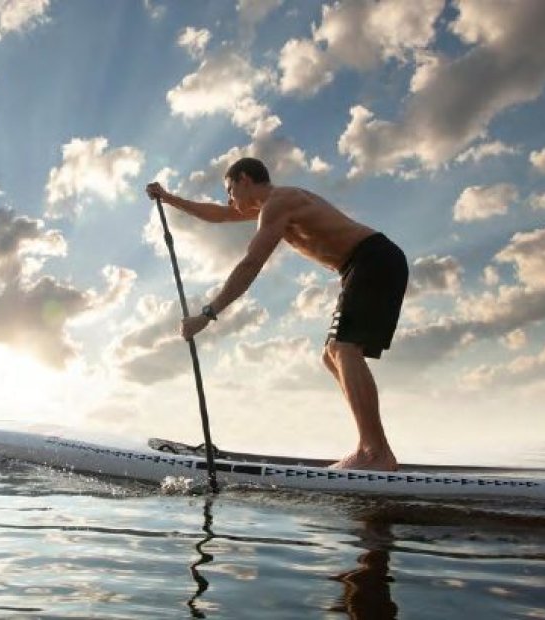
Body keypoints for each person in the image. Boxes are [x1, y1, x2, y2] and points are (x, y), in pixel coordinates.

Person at [145, 157, 408, 471]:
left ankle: (374, 453)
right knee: (331, 355)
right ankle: (374, 450)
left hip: (373, 260)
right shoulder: (274, 206)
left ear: (245, 179)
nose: (230, 199)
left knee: (343, 348)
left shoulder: (279, 202)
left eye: (230, 189)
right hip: (361, 265)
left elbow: (250, 265)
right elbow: (219, 214)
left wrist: (207, 314)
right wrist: (169, 198)